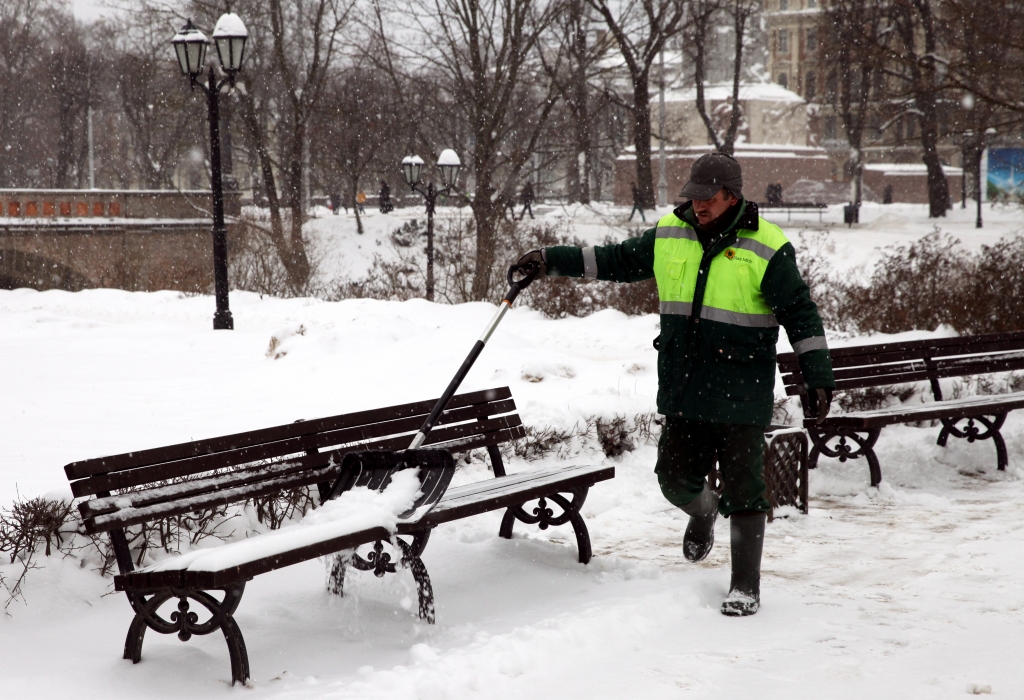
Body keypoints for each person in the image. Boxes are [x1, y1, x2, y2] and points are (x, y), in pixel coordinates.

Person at [513, 152, 835, 616]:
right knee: (673, 481)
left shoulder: (768, 245)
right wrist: (551, 260)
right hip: (686, 389)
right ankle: (703, 510)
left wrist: (817, 375)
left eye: (707, 199)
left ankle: (745, 585)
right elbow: (615, 260)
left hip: (741, 393)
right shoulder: (670, 232)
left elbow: (801, 312)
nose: (698, 206)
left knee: (747, 492)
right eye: (694, 197)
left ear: (731, 196)